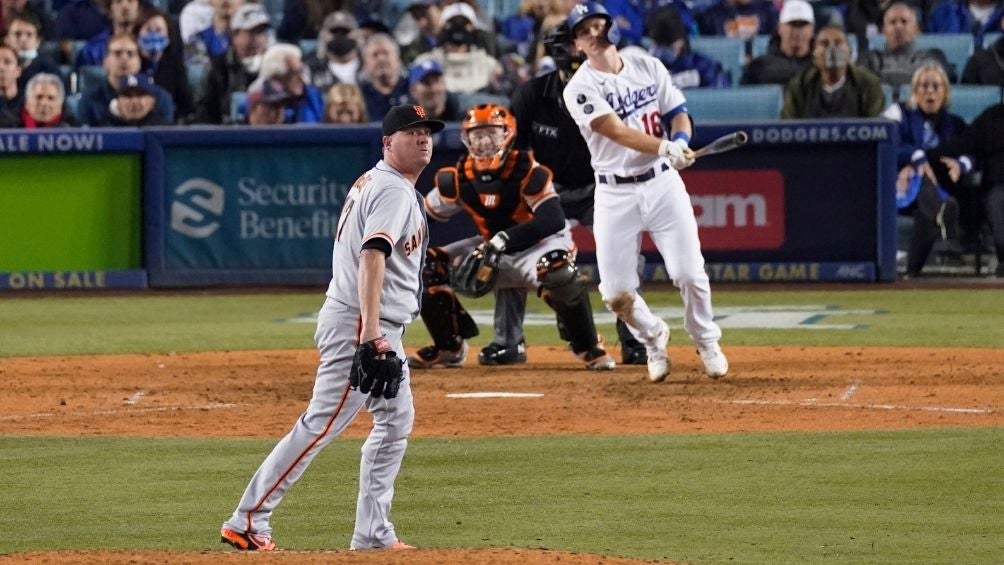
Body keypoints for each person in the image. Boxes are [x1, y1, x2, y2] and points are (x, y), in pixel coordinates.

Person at [219, 103, 441, 552]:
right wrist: (370, 333)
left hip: (368, 319)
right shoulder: (394, 190)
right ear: (387, 142)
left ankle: (374, 533)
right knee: (322, 422)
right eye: (410, 131)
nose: (421, 138)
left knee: (395, 422)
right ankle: (247, 518)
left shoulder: (377, 181)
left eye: (426, 131)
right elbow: (372, 254)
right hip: (361, 321)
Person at [561, 2, 729, 381]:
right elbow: (615, 130)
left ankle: (706, 340)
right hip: (614, 192)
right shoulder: (579, 88)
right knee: (616, 293)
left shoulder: (647, 64)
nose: (594, 32)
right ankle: (654, 338)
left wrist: (682, 140)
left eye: (598, 23)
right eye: (584, 30)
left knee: (690, 273)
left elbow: (677, 113)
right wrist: (665, 146)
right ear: (577, 45)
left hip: (661, 182)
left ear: (612, 25)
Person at [408, 103, 616, 371]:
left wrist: (504, 239)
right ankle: (449, 347)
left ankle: (588, 346)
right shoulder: (458, 177)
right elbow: (423, 216)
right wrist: (395, 239)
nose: (484, 140)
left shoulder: (527, 169)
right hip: (491, 246)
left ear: (507, 134)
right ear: (466, 138)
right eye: (477, 134)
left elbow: (552, 218)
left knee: (558, 271)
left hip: (539, 246)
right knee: (424, 265)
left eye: (491, 133)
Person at [510, 22, 648, 365]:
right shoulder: (531, 95)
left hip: (599, 188)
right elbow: (515, 156)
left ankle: (634, 339)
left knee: (627, 256)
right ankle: (510, 342)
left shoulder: (616, 91)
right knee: (529, 256)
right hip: (545, 192)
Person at [882, 63, 969, 276]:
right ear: (914, 91)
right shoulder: (900, 112)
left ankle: (912, 273)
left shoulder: (954, 124)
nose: (930, 91)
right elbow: (886, 140)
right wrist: (916, 158)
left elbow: (973, 148)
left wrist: (962, 164)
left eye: (936, 86)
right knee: (920, 175)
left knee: (928, 218)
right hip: (901, 188)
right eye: (924, 86)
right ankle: (943, 209)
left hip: (934, 194)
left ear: (945, 92)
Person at [930, 101, 1004, 277]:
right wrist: (926, 159)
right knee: (996, 199)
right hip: (999, 186)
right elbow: (962, 144)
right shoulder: (992, 117)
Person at [781, 25, 885, 119]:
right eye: (824, 44)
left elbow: (877, 130)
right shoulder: (799, 86)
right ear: (814, 54)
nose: (832, 49)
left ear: (850, 52)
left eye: (838, 43)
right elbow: (787, 130)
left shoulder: (869, 84)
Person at [195, 1, 270, 124]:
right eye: (251, 32)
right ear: (235, 35)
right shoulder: (218, 68)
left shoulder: (276, 65)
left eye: (261, 32)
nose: (257, 38)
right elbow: (204, 112)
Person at [77, 34, 175, 126]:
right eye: (117, 53)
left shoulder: (160, 97)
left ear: (139, 61)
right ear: (105, 61)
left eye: (130, 54)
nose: (124, 58)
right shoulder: (89, 99)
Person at [862, 2, 953, 90]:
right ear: (883, 30)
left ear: (917, 29)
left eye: (904, 22)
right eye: (892, 22)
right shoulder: (870, 60)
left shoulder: (932, 57)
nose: (898, 27)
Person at [643, 5, 731, 88]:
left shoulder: (704, 67)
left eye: (669, 45)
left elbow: (720, 98)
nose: (664, 50)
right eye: (659, 45)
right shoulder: (644, 70)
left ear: (681, 41)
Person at [135, 6, 195, 122]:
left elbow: (185, 105)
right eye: (148, 30)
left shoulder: (175, 67)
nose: (153, 35)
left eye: (158, 30)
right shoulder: (130, 64)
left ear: (168, 36)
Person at [740, 0, 815, 85]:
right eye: (792, 24)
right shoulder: (758, 67)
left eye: (803, 25)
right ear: (779, 27)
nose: (797, 31)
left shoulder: (820, 67)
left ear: (812, 29)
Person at [357, 32, 409, 119]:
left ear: (398, 60)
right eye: (375, 55)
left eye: (386, 53)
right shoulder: (359, 96)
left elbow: (423, 115)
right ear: (365, 64)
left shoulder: (412, 89)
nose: (381, 59)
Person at [76, 0, 142, 67]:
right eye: (118, 1)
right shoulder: (91, 49)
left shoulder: (147, 46)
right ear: (110, 9)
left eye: (130, 1)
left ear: (139, 8)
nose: (125, 6)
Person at [5, 12, 60, 91]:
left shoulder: (48, 67)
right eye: (17, 34)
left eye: (29, 34)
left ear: (38, 41)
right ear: (7, 39)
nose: (23, 39)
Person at [2, 71, 74, 127]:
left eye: (50, 98)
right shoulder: (8, 127)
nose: (44, 103)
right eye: (39, 97)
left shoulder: (73, 129)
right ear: (27, 103)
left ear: (60, 106)